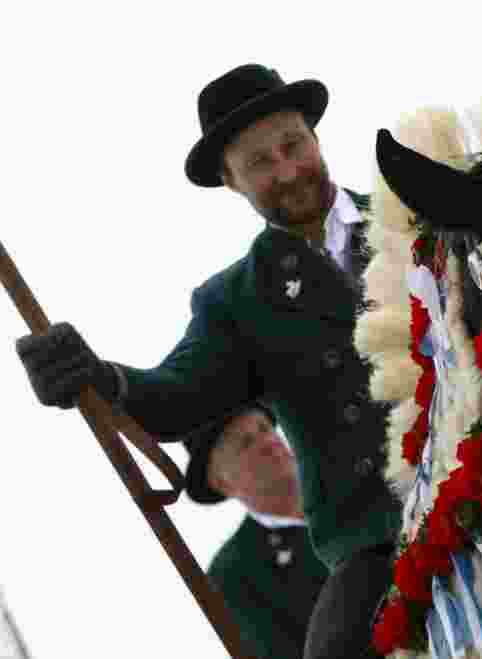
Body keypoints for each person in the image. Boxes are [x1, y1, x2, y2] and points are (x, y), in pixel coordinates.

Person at [14, 64, 399, 659]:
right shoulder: (236, 302)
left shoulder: (415, 219)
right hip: (380, 538)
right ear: (230, 181)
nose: (287, 169)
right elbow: (176, 396)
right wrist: (99, 377)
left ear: (316, 138)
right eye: (259, 164)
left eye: (293, 145)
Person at [185, 401, 327, 659]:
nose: (268, 442)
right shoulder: (233, 574)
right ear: (221, 482)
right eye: (246, 443)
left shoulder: (351, 487)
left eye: (264, 428)